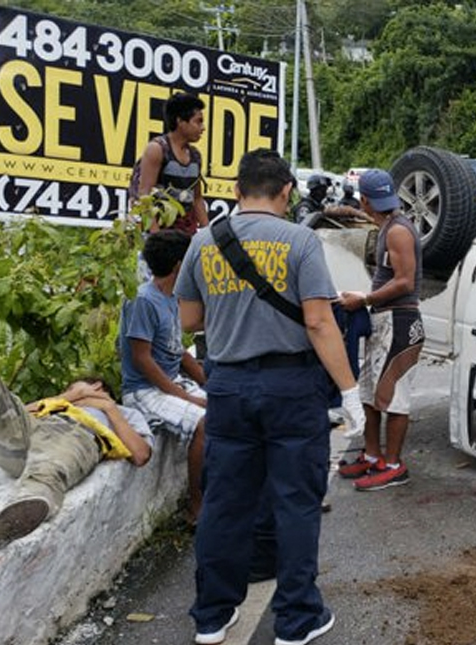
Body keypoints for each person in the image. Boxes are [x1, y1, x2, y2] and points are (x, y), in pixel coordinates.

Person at [175, 149, 362, 645]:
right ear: (286, 192)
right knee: (295, 501)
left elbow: (189, 320)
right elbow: (319, 322)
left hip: (228, 387)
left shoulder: (204, 242)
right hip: (291, 388)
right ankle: (297, 620)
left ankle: (212, 616)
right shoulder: (300, 240)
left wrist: (233, 314)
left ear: (238, 191)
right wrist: (349, 390)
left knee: (224, 502)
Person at [0, 367, 153, 550]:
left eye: (73, 389)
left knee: (47, 471)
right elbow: (16, 412)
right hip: (27, 434)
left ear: (97, 387)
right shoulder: (56, 404)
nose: (71, 394)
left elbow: (141, 455)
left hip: (74, 434)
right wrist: (69, 396)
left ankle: (17, 513)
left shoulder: (125, 413)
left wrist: (109, 407)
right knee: (0, 402)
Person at [336, 170, 425, 491]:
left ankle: (394, 464)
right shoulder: (388, 225)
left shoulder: (398, 231)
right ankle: (373, 455)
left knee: (394, 397)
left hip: (399, 321)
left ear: (364, 200)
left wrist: (364, 299)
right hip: (384, 319)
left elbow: (404, 281)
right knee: (369, 393)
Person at [119, 230, 207, 523]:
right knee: (204, 423)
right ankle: (195, 507)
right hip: (143, 390)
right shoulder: (143, 300)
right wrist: (187, 397)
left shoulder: (171, 298)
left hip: (170, 383)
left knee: (229, 406)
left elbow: (177, 350)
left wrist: (207, 382)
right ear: (180, 266)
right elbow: (141, 359)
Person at [135, 93, 208, 235]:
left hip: (186, 232)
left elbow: (197, 198)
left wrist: (208, 234)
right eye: (198, 122)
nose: (203, 128)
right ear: (180, 121)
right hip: (160, 230)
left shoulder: (195, 156)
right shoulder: (157, 149)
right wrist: (156, 237)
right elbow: (144, 194)